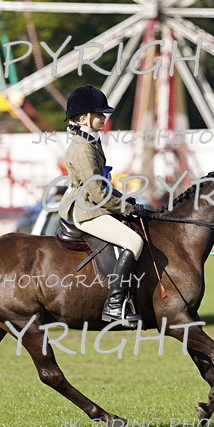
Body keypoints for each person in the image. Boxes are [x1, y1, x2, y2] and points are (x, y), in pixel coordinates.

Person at [59, 85, 144, 324]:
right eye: (99, 114)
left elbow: (102, 182)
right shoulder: (82, 149)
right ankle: (114, 305)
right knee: (134, 241)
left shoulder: (91, 142)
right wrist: (126, 208)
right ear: (83, 118)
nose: (104, 118)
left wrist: (125, 200)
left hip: (93, 203)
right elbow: (96, 192)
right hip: (86, 210)